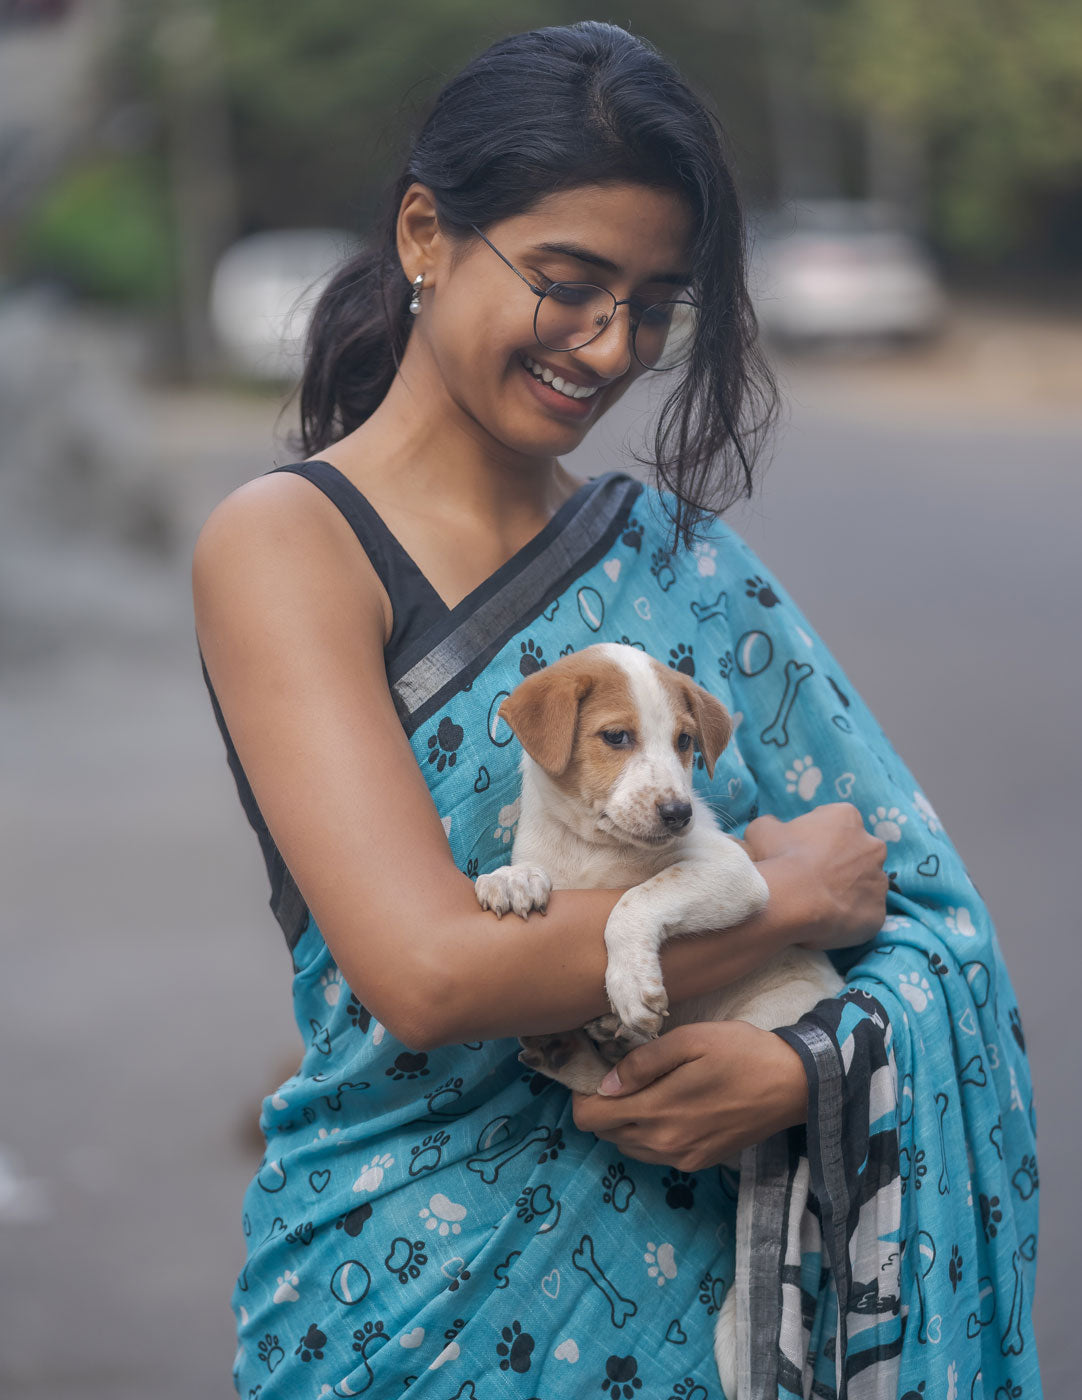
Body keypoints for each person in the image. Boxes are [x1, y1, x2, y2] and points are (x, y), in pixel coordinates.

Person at [192, 22, 1039, 1400]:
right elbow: (431, 977)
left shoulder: (681, 564)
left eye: (654, 303)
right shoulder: (293, 545)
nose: (610, 344)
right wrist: (783, 898)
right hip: (410, 1297)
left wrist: (809, 1066)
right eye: (570, 283)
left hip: (717, 1311)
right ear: (425, 233)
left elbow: (919, 904)